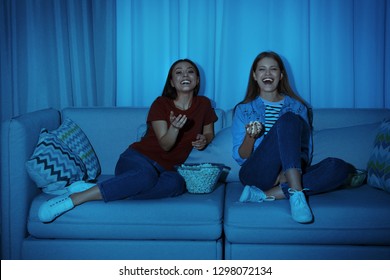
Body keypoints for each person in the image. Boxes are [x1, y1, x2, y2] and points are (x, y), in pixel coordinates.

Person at [39, 59, 218, 223]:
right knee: (145, 176)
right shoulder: (161, 104)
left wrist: (204, 139)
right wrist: (175, 128)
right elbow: (166, 145)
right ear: (172, 82)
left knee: (177, 184)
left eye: (190, 71)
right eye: (178, 72)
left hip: (165, 170)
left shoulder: (204, 104)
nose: (185, 75)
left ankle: (106, 188)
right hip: (136, 159)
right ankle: (74, 199)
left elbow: (209, 133)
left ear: (197, 80)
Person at [232, 51, 355, 223]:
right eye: (262, 69)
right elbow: (240, 157)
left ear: (281, 75)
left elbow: (306, 150)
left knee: (340, 168)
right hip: (256, 173)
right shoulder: (243, 110)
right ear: (254, 75)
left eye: (273, 69)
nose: (267, 74)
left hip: (289, 172)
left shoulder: (298, 107)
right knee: (288, 119)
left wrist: (285, 172)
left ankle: (265, 195)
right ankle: (297, 195)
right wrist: (250, 137)